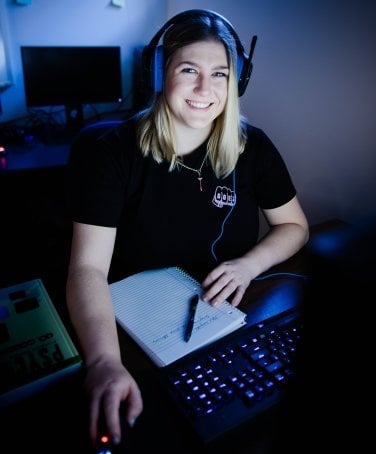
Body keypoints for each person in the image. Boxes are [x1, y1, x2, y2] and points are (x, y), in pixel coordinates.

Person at [65, 9, 309, 447]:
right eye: (189, 70)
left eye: (220, 73)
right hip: (136, 332)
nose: (205, 89)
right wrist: (103, 360)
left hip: (227, 318)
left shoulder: (254, 147)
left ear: (237, 83)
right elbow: (86, 269)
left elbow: (294, 226)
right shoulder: (113, 154)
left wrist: (250, 265)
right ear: (160, 75)